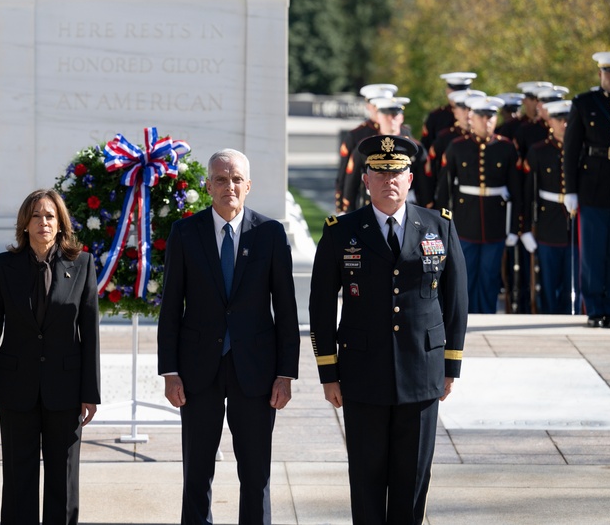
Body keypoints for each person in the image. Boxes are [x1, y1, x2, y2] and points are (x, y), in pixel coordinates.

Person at [309, 134, 469, 525]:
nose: (388, 180)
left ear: (410, 178)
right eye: (379, 173)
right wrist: (329, 373)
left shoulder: (439, 226)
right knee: (365, 478)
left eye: (396, 172)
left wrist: (451, 366)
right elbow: (320, 307)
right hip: (363, 374)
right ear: (365, 180)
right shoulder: (339, 231)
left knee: (412, 479)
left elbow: (457, 301)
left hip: (422, 372)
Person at [157, 148, 299, 525]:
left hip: (256, 372)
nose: (229, 186)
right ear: (208, 186)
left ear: (248, 186)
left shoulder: (270, 234)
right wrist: (169, 371)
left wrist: (286, 374)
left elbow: (285, 310)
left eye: (236, 179)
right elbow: (171, 307)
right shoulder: (185, 233)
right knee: (197, 474)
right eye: (220, 179)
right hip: (197, 370)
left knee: (256, 475)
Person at [0, 188, 101, 525]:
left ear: (61, 223)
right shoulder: (4, 265)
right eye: (36, 216)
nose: (43, 222)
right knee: (19, 479)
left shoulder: (83, 264)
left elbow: (89, 332)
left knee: (64, 479)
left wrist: (90, 393)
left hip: (66, 388)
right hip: (16, 388)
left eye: (50, 216)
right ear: (25, 224)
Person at [563, 51, 610, 329]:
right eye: (608, 72)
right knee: (593, 254)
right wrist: (570, 190)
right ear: (600, 74)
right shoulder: (584, 103)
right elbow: (571, 151)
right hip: (592, 187)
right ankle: (595, 309)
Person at [435, 96, 522, 314]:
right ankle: (465, 316)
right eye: (482, 117)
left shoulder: (506, 147)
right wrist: (441, 225)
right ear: (472, 119)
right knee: (465, 274)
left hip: (495, 221)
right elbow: (444, 190)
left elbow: (516, 191)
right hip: (465, 221)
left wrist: (513, 229)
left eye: (491, 117)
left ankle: (487, 315)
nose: (487, 121)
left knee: (490, 275)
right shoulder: (457, 147)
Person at [521, 99, 580, 314]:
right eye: (559, 119)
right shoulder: (539, 151)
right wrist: (525, 228)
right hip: (548, 222)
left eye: (567, 120)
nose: (564, 124)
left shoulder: (582, 149)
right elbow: (528, 193)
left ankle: (570, 318)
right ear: (550, 122)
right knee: (549, 282)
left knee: (574, 281)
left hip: (576, 221)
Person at [335, 83, 397, 213]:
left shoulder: (402, 132)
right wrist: (343, 205)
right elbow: (346, 174)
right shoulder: (356, 135)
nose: (379, 108)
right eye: (375, 105)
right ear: (368, 106)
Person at [420, 71, 476, 149]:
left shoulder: (477, 115)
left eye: (462, 92)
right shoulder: (436, 116)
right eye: (455, 92)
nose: (458, 97)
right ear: (447, 91)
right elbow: (425, 145)